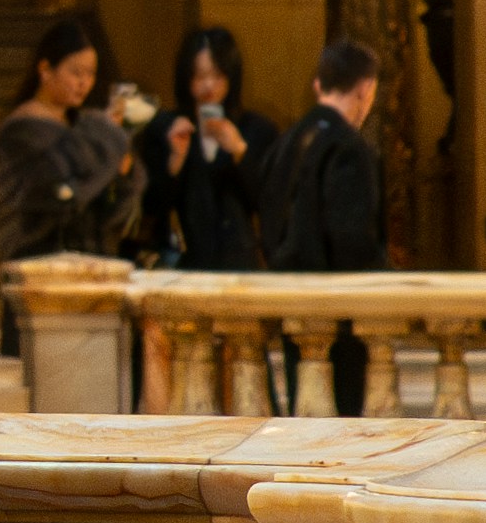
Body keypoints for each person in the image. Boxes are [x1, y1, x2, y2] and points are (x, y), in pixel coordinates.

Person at [269, 37, 391, 414]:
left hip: (291, 298)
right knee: (341, 420)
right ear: (364, 90)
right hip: (338, 309)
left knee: (302, 412)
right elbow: (351, 236)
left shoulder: (288, 139)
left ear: (319, 85)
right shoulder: (349, 147)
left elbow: (269, 214)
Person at [0, 5, 140, 265]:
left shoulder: (80, 123)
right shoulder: (19, 131)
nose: (84, 83)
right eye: (76, 72)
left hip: (89, 264)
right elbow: (62, 195)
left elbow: (107, 212)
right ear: (45, 70)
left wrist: (122, 173)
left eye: (90, 74)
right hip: (39, 265)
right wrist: (104, 145)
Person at [142, 24, 270, 269]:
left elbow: (269, 202)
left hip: (240, 267)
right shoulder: (165, 128)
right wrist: (175, 161)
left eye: (218, 75)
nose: (209, 85)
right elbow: (151, 206)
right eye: (200, 76)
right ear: (186, 78)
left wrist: (240, 152)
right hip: (182, 264)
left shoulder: (255, 129)